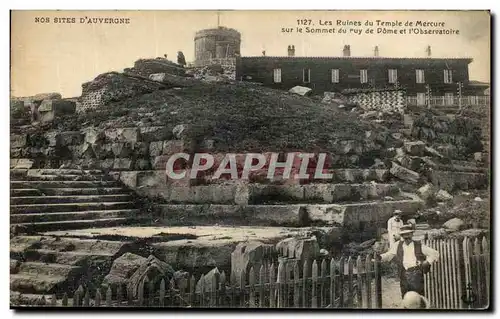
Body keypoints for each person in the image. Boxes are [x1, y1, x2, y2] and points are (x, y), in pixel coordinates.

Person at [379, 224, 439, 298]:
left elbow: (435, 253)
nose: (406, 236)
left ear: (412, 234)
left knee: (417, 297)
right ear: (402, 236)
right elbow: (389, 255)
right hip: (403, 274)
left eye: (408, 234)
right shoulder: (397, 245)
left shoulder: (418, 245)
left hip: (416, 274)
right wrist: (379, 257)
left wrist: (427, 262)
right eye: (404, 235)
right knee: (405, 296)